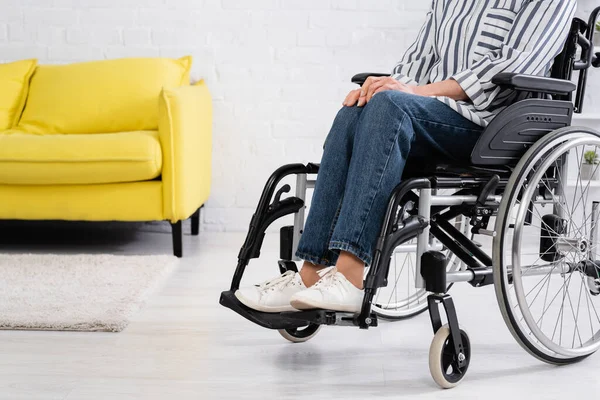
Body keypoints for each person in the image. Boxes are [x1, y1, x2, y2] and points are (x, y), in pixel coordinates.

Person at [235, 0, 577, 313]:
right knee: (357, 106)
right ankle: (310, 273)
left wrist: (413, 92)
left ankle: (351, 277)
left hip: (492, 124)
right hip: (432, 111)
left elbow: (513, 66)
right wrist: (384, 84)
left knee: (390, 106)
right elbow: (420, 58)